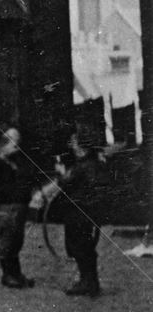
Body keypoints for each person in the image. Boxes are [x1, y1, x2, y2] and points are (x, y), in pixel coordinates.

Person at [0, 126, 36, 289]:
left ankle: (16, 274)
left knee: (16, 242)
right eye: (13, 142)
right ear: (2, 145)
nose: (17, 146)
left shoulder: (14, 164)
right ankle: (8, 275)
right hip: (6, 210)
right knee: (8, 243)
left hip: (18, 210)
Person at [54, 127, 103, 298]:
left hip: (78, 212)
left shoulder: (82, 166)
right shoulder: (92, 163)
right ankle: (91, 282)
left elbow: (67, 182)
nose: (71, 145)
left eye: (74, 142)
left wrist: (61, 173)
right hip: (85, 212)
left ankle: (87, 283)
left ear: (82, 146)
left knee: (80, 247)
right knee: (85, 247)